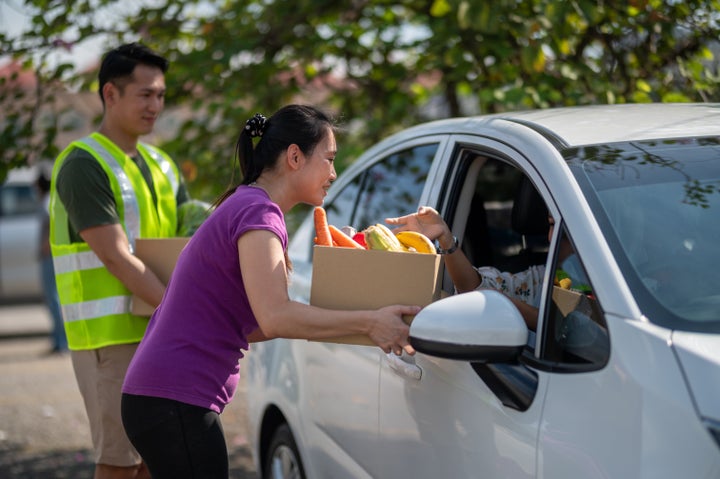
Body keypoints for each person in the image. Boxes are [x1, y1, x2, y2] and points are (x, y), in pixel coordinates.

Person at [120, 105, 419, 479]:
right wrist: (370, 322)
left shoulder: (247, 203)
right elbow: (276, 317)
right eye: (328, 160)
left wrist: (360, 323)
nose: (333, 174)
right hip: (173, 400)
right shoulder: (258, 212)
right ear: (295, 156)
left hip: (161, 397)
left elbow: (253, 324)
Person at [49, 42, 189, 479]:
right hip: (110, 341)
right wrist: (183, 315)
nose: (156, 106)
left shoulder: (162, 164)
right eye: (145, 94)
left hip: (159, 330)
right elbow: (115, 257)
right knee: (119, 463)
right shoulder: (82, 164)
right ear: (110, 94)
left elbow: (194, 241)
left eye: (161, 95)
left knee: (154, 460)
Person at [387, 206, 586, 331]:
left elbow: (583, 335)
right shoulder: (545, 279)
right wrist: (446, 239)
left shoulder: (614, 288)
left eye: (570, 227)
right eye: (553, 224)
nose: (556, 237)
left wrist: (521, 312)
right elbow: (476, 290)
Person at [35, 167, 67, 354]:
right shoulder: (50, 200)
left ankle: (60, 341)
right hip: (50, 254)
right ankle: (58, 340)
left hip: (49, 256)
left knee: (53, 299)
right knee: (53, 299)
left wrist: (45, 248)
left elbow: (51, 226)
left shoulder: (46, 202)